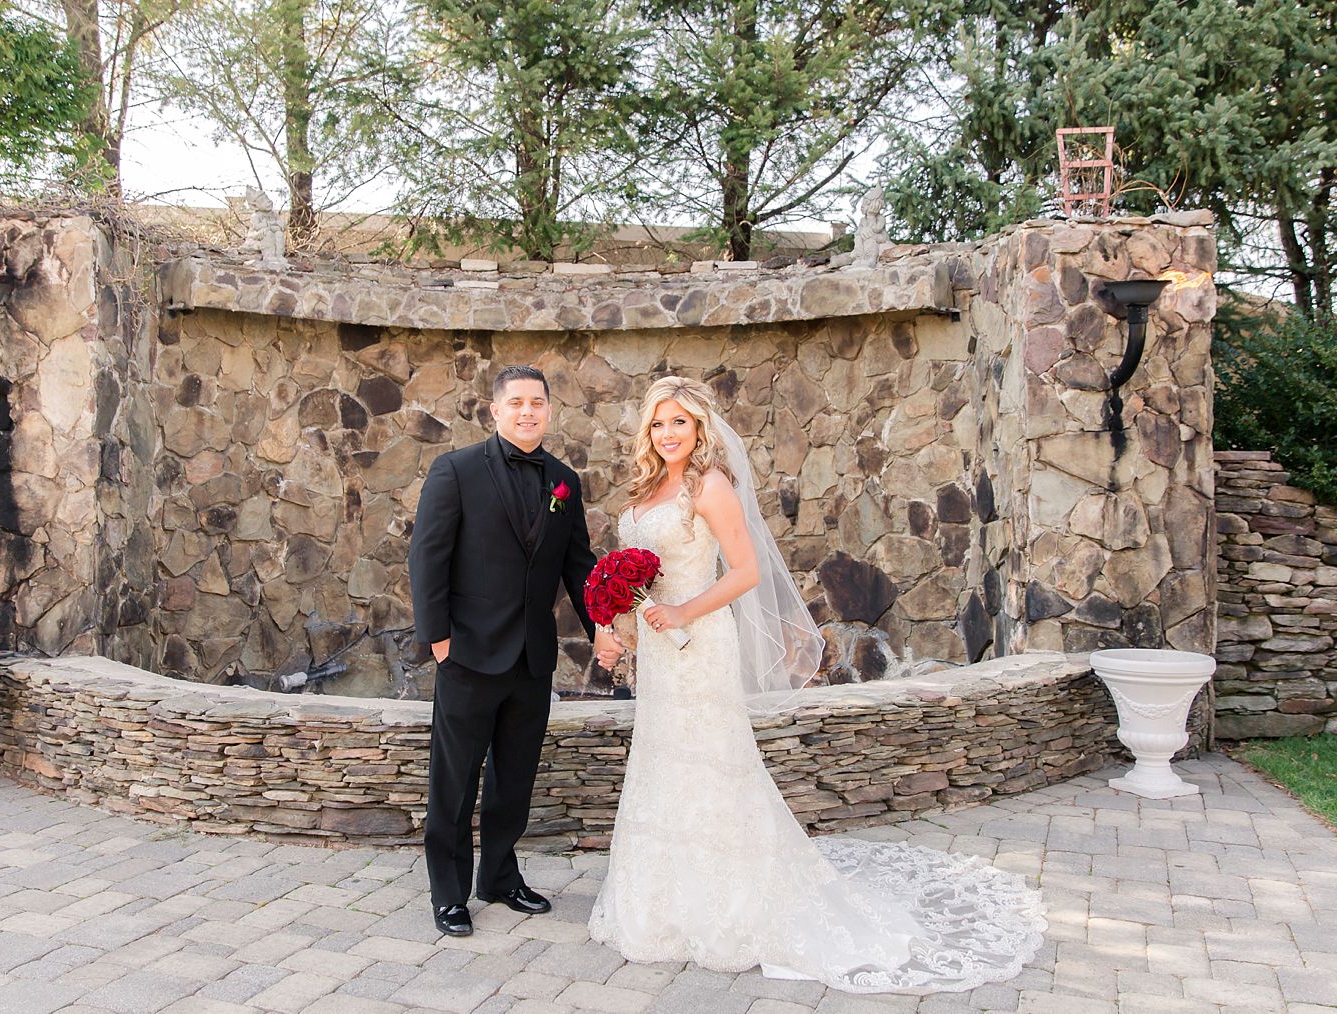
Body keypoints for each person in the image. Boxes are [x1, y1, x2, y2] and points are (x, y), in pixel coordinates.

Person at [588, 376, 1045, 992]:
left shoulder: (709, 485)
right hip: (662, 651)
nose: (668, 433)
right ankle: (661, 905)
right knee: (663, 761)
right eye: (658, 423)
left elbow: (746, 571)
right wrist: (623, 622)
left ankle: (729, 904)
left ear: (700, 428)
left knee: (712, 761)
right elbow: (642, 579)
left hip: (699, 644)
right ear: (648, 431)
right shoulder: (647, 490)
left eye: (680, 422)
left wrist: (683, 612)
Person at [409, 364, 621, 938]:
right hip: (468, 653)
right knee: (453, 782)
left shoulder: (563, 482)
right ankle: (449, 893)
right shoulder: (454, 471)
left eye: (538, 403)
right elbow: (427, 557)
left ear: (549, 411)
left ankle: (499, 877)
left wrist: (601, 622)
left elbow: (578, 564)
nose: (528, 411)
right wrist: (438, 639)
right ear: (495, 410)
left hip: (532, 656)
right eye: (517, 403)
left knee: (514, 780)